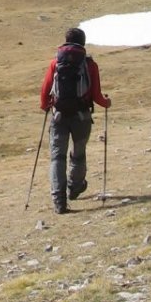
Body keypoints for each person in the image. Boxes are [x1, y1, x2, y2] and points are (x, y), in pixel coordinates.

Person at [39, 27, 111, 214]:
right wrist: (106, 102)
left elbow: (45, 90)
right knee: (78, 154)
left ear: (66, 41)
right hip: (82, 117)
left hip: (59, 116)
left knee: (57, 157)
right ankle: (75, 186)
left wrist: (46, 106)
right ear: (83, 43)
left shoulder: (55, 63)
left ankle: (59, 201)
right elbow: (96, 96)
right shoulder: (89, 65)